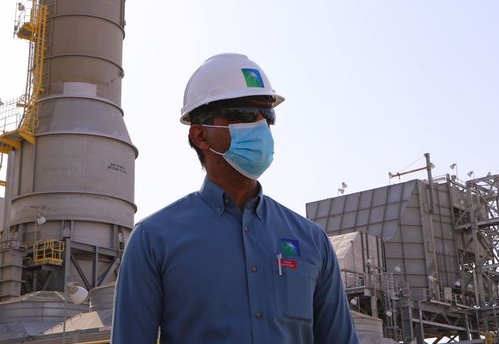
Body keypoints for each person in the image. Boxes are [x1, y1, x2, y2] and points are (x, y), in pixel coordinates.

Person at [112, 53, 360, 344]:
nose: (260, 126)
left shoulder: (313, 241)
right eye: (244, 115)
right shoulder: (153, 240)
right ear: (200, 135)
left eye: (267, 116)